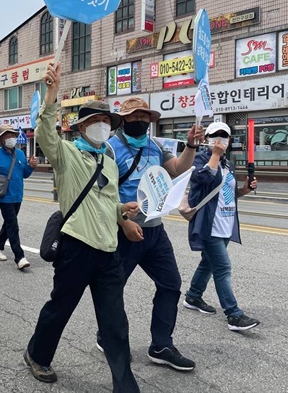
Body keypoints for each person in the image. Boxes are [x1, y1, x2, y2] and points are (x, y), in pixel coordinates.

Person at [25, 62, 142, 392]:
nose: (103, 126)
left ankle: (125, 384)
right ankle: (36, 354)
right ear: (81, 127)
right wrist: (51, 93)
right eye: (96, 121)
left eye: (107, 121)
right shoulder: (66, 155)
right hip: (77, 247)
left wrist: (123, 211)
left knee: (115, 322)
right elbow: (46, 134)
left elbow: (108, 201)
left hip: (109, 251)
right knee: (60, 308)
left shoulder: (109, 160)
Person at [95, 97, 201, 371]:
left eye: (144, 116)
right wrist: (123, 222)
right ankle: (108, 337)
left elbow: (178, 169)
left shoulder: (155, 146)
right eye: (133, 116)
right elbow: (101, 194)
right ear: (124, 120)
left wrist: (190, 145)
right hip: (124, 232)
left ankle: (161, 345)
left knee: (170, 284)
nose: (140, 121)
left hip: (154, 231)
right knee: (114, 290)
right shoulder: (110, 149)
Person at [183, 122, 260, 331]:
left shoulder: (228, 164)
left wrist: (244, 190)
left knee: (208, 263)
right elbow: (204, 178)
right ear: (206, 138)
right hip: (208, 224)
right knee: (223, 268)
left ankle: (192, 296)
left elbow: (227, 195)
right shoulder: (198, 159)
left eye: (224, 135)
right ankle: (234, 314)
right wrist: (215, 155)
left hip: (226, 223)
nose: (220, 138)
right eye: (215, 135)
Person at [0, 124, 37, 269]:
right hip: (4, 196)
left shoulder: (20, 154)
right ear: (1, 139)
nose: (10, 138)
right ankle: (19, 257)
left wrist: (31, 166)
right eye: (7, 136)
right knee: (13, 226)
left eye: (12, 135)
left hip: (18, 195)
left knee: (8, 224)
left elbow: (24, 174)